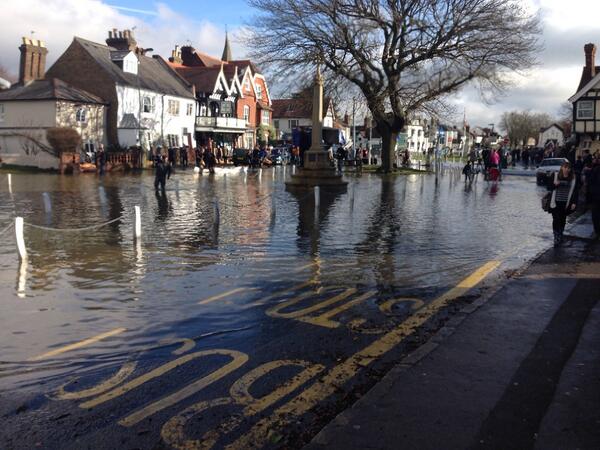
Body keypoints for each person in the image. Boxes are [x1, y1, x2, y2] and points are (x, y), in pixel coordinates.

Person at [547, 161, 578, 247]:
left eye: (568, 168)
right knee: (556, 219)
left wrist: (574, 202)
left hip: (566, 203)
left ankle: (560, 234)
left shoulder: (573, 178)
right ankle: (556, 236)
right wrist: (555, 185)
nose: (566, 169)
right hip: (555, 202)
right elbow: (549, 188)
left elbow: (575, 191)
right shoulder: (555, 175)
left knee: (562, 220)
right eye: (565, 167)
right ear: (561, 167)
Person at [587, 158, 600, 239]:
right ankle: (597, 231)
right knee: (596, 214)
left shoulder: (595, 169)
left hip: (595, 196)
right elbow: (590, 183)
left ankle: (597, 231)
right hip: (596, 197)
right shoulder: (596, 170)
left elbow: (590, 183)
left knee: (596, 214)